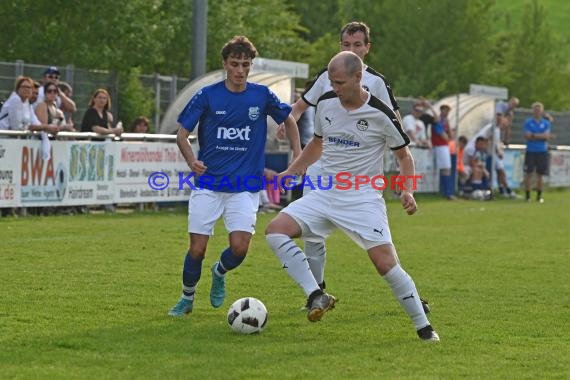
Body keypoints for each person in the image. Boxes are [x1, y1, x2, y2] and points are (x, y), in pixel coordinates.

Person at [265, 51, 438, 341]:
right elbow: (317, 144)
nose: (335, 87)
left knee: (385, 264)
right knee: (275, 232)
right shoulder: (326, 104)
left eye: (341, 82)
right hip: (325, 192)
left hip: (362, 198)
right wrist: (290, 172)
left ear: (359, 77)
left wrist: (407, 188)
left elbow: (405, 157)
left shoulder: (380, 113)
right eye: (332, 82)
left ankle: (424, 328)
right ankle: (316, 294)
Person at [168, 35, 301, 317]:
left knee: (239, 248)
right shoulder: (208, 95)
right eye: (235, 64)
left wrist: (298, 155)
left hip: (244, 186)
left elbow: (288, 119)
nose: (240, 70)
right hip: (209, 183)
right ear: (225, 65)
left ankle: (219, 272)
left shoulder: (261, 95)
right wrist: (192, 161)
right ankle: (186, 298)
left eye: (245, 64)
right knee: (197, 249)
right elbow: (181, 135)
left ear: (250, 65)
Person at [523, 102, 551, 203]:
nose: (537, 111)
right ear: (533, 111)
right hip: (531, 150)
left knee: (540, 174)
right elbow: (527, 136)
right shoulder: (528, 122)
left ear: (542, 111)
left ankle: (539, 196)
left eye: (539, 110)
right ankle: (527, 196)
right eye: (535, 109)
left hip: (542, 151)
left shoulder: (546, 123)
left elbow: (546, 136)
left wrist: (534, 136)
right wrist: (540, 136)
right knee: (528, 173)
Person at [431, 104, 455, 200]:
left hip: (444, 146)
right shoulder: (437, 121)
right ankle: (447, 193)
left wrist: (448, 126)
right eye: (445, 110)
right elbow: (444, 135)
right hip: (440, 146)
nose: (446, 113)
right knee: (446, 168)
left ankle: (446, 192)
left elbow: (451, 136)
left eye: (448, 111)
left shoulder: (445, 122)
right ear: (441, 111)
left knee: (446, 168)